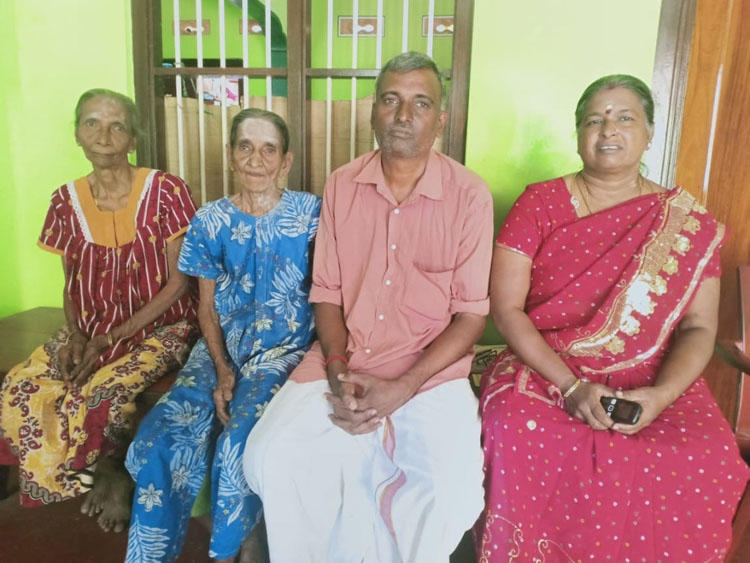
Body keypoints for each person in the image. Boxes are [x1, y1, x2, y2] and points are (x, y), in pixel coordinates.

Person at [475, 74, 750, 562]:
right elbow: (507, 309)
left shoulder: (688, 223)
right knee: (520, 432)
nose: (608, 130)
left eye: (625, 117)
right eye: (594, 120)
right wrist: (571, 387)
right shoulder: (539, 203)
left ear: (649, 133)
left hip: (652, 374)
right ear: (578, 133)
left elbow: (699, 327)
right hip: (544, 366)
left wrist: (661, 397)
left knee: (707, 455)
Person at [242, 51, 494, 562]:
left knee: (449, 490)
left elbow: (471, 317)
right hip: (344, 363)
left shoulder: (469, 196)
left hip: (428, 374)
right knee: (272, 457)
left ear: (440, 119)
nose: (404, 115)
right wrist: (337, 368)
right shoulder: (342, 184)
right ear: (373, 111)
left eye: (420, 103)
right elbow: (328, 294)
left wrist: (402, 388)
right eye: (391, 100)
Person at [125, 107, 321, 563]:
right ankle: (151, 554)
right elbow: (206, 307)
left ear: (286, 161)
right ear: (231, 156)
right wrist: (220, 370)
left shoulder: (311, 213)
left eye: (269, 148)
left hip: (283, 352)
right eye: (246, 147)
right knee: (160, 438)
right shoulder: (210, 220)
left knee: (238, 442)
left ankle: (233, 547)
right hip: (220, 347)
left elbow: (330, 291)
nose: (257, 159)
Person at [0, 89, 199, 533]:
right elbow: (70, 281)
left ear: (132, 139)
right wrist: (76, 336)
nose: (104, 134)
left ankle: (111, 470)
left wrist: (109, 339)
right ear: (77, 134)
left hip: (160, 327)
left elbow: (179, 282)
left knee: (105, 390)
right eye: (92, 123)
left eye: (117, 126)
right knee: (23, 385)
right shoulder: (64, 202)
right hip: (91, 329)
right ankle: (66, 480)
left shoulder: (165, 190)